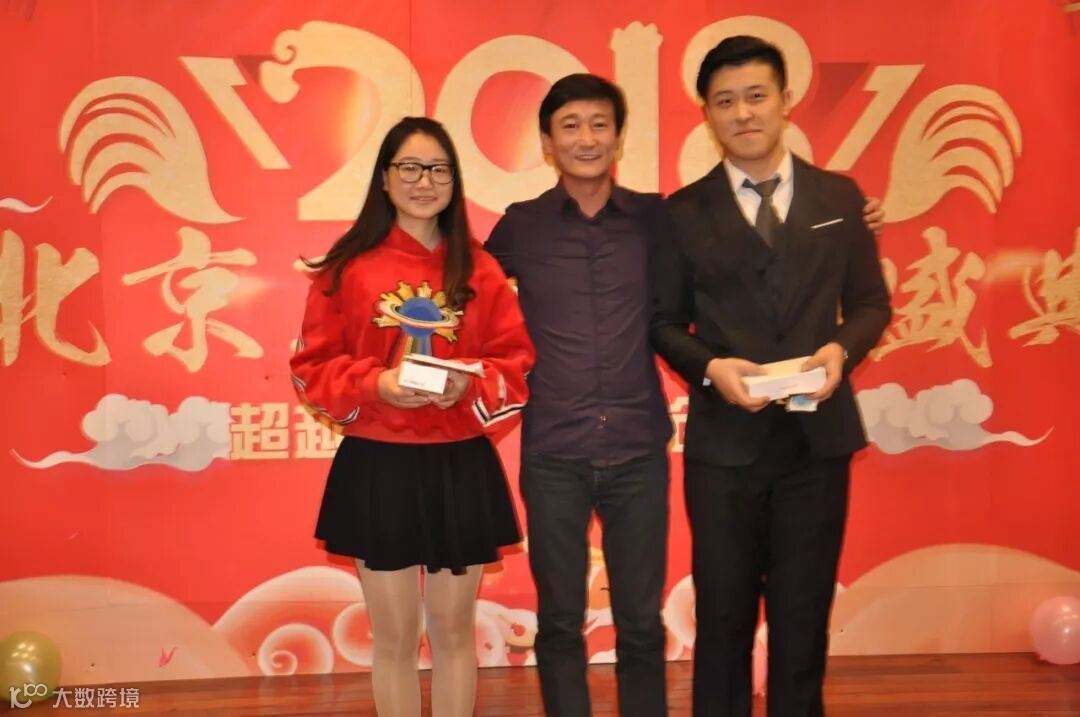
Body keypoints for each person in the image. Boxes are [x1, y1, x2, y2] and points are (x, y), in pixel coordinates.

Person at [651, 36, 892, 717]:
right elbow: (663, 322)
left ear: (786, 100)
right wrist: (711, 367)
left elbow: (871, 303)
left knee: (802, 618)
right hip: (724, 448)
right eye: (725, 101)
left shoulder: (839, 197)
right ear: (707, 114)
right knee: (722, 619)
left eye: (756, 96)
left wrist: (841, 350)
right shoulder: (680, 213)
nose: (743, 113)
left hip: (817, 446)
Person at [289, 116, 535, 717]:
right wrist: (376, 384)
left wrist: (467, 384)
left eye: (438, 169)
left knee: (454, 635)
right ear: (384, 178)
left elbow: (516, 362)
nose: (425, 182)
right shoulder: (346, 268)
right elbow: (310, 367)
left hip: (460, 464)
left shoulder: (480, 270)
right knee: (395, 638)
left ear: (454, 179)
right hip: (379, 464)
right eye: (410, 168)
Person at [485, 74, 673, 717]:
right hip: (554, 452)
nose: (586, 138)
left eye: (599, 124)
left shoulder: (656, 219)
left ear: (619, 138)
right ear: (547, 142)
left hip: (639, 448)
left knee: (641, 622)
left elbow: (731, 246)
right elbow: (457, 287)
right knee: (560, 620)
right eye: (570, 125)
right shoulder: (523, 225)